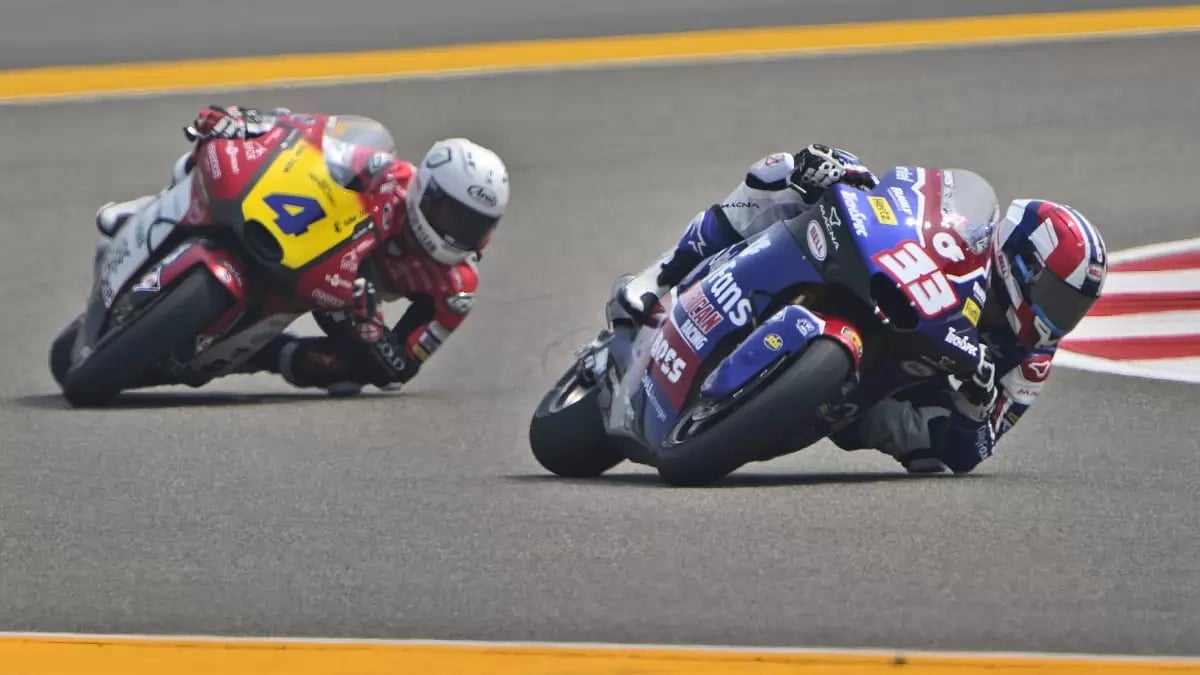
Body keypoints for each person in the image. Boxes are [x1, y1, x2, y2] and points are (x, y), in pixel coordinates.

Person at [617, 144, 1107, 474]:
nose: (1060, 317)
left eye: (1075, 306)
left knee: (928, 451)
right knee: (784, 170)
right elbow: (905, 196)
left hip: (879, 393)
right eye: (1059, 296)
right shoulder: (969, 234)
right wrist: (846, 176)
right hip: (881, 292)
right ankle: (659, 276)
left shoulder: (1031, 363)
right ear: (1022, 261)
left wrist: (974, 405)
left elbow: (973, 452)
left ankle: (781, 400)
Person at [94, 105, 510, 396]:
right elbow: (310, 135)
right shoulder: (385, 175)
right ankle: (150, 210)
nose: (457, 233)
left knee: (342, 374)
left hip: (332, 300)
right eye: (451, 215)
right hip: (305, 238)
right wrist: (249, 124)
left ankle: (267, 356)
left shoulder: (455, 290)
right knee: (202, 162)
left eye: (474, 224)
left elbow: (400, 368)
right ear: (425, 191)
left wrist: (369, 331)